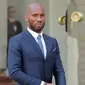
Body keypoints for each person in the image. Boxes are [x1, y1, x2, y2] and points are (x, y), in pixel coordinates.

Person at [8, 3, 66, 85]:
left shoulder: (52, 42)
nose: (39, 19)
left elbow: (59, 71)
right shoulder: (16, 41)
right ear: (27, 18)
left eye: (42, 15)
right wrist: (41, 84)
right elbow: (14, 72)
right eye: (35, 15)